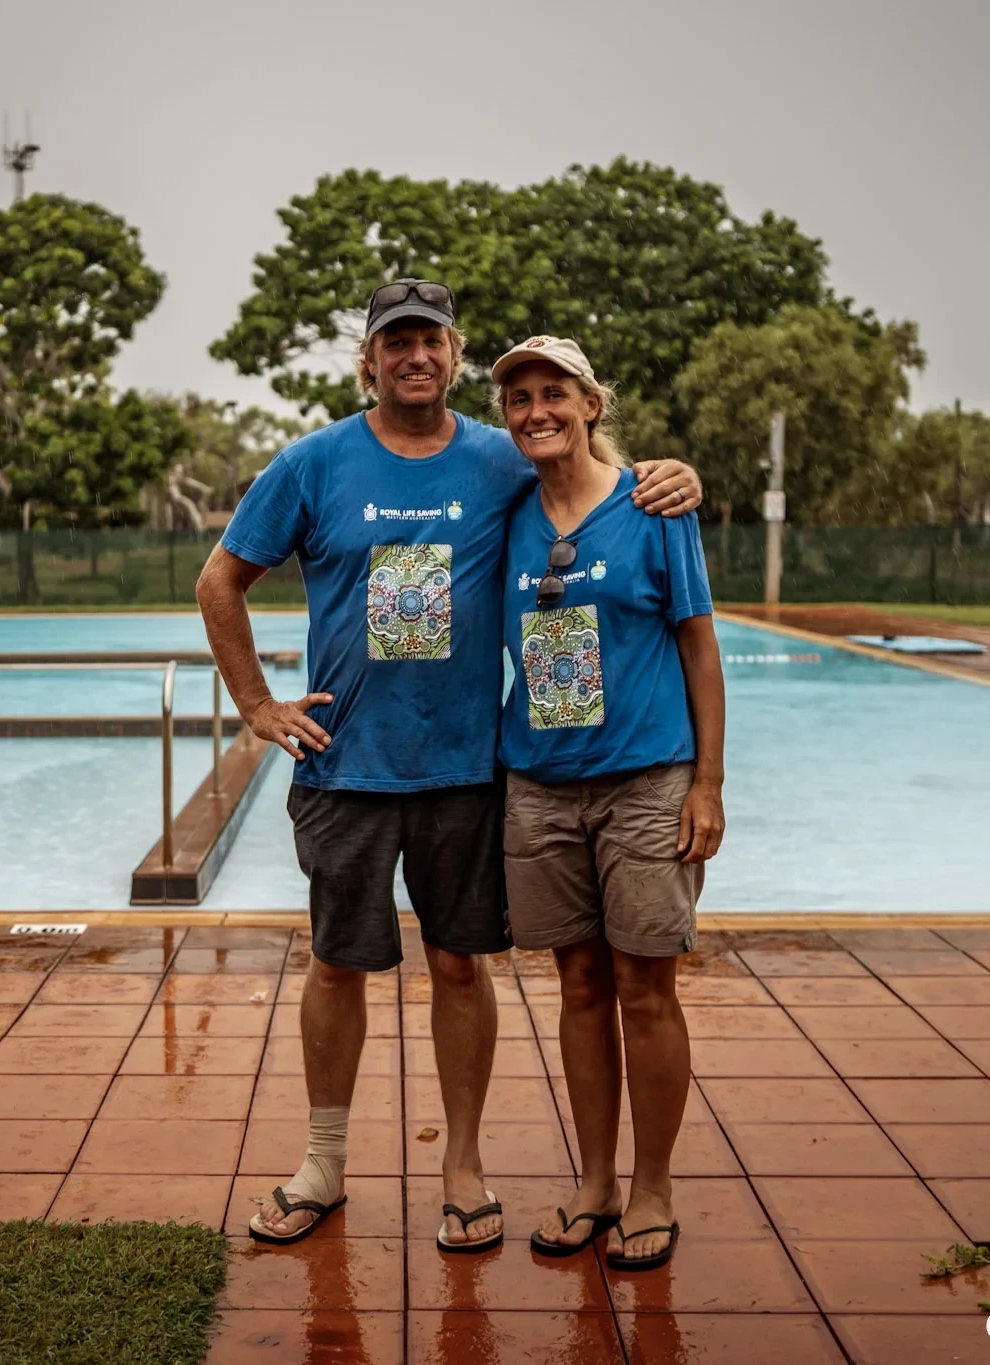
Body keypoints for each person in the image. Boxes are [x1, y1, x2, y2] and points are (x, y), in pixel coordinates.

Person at [195, 282, 702, 1252]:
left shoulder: (498, 458)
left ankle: (462, 1168)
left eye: (428, 340)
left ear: (453, 352)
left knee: (460, 966)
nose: (413, 356)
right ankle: (324, 1163)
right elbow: (219, 579)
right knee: (337, 963)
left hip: (469, 771)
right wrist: (256, 706)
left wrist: (668, 478)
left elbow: (583, 478)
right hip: (346, 767)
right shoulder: (311, 464)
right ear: (369, 361)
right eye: (395, 343)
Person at [490, 336, 724, 1273]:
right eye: (518, 398)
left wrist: (707, 782)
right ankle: (595, 1180)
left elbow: (700, 648)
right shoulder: (504, 511)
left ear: (592, 403)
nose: (535, 411)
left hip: (645, 779)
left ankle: (654, 1186)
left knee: (646, 987)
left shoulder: (653, 506)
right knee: (578, 987)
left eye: (554, 393)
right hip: (540, 783)